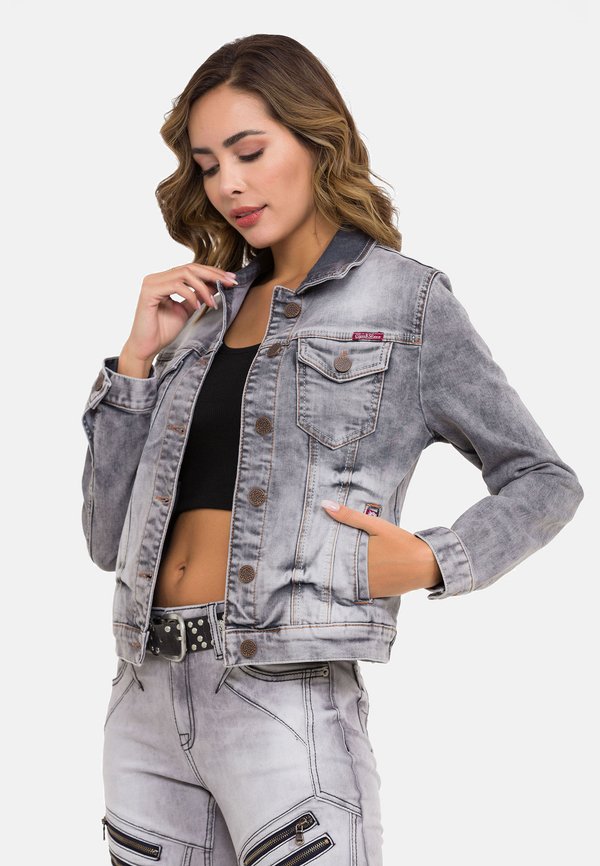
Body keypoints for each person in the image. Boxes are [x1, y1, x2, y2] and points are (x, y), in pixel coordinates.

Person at [82, 34, 584, 866]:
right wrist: (135, 363)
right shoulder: (199, 316)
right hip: (141, 694)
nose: (228, 184)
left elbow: (543, 478)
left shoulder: (405, 300)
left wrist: (433, 559)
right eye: (208, 165)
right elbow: (106, 541)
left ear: (319, 140)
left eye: (249, 152)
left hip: (284, 694)